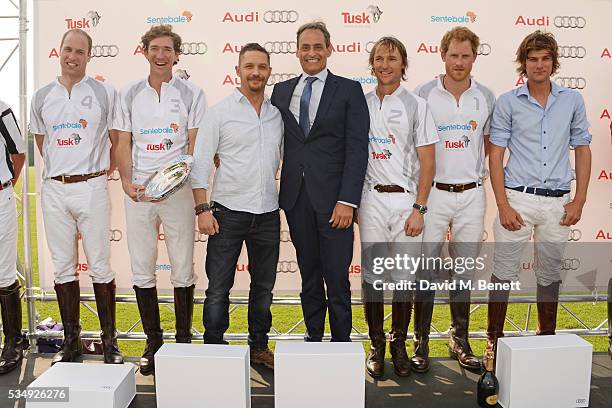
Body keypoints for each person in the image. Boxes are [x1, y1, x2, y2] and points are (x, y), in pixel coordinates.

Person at [485, 30, 592, 368]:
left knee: (549, 274)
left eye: (545, 58)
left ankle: (546, 338)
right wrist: (502, 204)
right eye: (533, 59)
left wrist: (580, 200)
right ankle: (493, 343)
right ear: (524, 63)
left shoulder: (572, 100)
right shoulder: (507, 102)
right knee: (502, 272)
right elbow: (495, 155)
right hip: (518, 198)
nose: (539, 65)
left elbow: (583, 150)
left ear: (554, 62)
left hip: (558, 203)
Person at [114, 24, 206, 375]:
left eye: (167, 49)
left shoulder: (192, 93)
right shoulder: (129, 93)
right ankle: (154, 341)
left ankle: (183, 341)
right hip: (139, 192)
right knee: (142, 266)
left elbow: (195, 144)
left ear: (176, 54)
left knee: (182, 265)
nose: (161, 54)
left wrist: (183, 179)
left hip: (178, 192)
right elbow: (122, 142)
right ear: (145, 51)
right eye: (155, 48)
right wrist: (126, 180)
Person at [270, 21, 369, 342]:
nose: (311, 53)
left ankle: (342, 345)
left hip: (335, 203)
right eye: (305, 47)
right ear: (297, 51)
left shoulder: (349, 90)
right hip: (297, 200)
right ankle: (314, 341)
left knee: (337, 279)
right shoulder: (281, 92)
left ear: (329, 49)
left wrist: (348, 201)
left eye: (317, 46)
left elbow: (357, 149)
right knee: (309, 276)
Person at [30, 29, 123, 365]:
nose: (72, 56)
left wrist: (96, 172)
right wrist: (63, 171)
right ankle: (71, 341)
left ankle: (109, 341)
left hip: (92, 187)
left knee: (100, 265)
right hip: (54, 188)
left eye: (80, 52)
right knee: (63, 267)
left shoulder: (104, 93)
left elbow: (117, 142)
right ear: (59, 51)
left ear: (89, 56)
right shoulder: (41, 96)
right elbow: (43, 144)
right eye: (68, 49)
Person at [191, 43, 282, 369]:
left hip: (268, 212)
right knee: (218, 288)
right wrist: (202, 210)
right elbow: (200, 164)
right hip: (226, 212)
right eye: (249, 67)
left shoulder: (277, 115)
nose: (255, 72)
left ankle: (259, 347)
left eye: (261, 67)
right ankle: (214, 347)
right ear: (238, 71)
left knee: (264, 288)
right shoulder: (219, 112)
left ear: (269, 72)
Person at [414, 26, 495, 373]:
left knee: (463, 272)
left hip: (472, 194)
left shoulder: (487, 96)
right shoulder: (422, 94)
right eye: (453, 55)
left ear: (474, 57)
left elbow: (491, 147)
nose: (459, 62)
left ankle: (458, 339)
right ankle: (419, 342)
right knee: (425, 270)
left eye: (465, 56)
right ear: (442, 55)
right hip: (433, 194)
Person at [360, 37, 437, 378]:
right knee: (374, 277)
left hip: (406, 200)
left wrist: (420, 208)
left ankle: (400, 344)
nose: (384, 64)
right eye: (379, 58)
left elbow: (428, 161)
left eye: (392, 58)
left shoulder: (418, 105)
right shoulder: (359, 103)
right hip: (370, 198)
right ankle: (376, 345)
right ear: (372, 64)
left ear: (403, 64)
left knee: (405, 277)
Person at [0, 99, 26, 374]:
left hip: (0, 198)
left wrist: (5, 187)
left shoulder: (2, 109)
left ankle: (13, 342)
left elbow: (19, 153)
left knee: (4, 274)